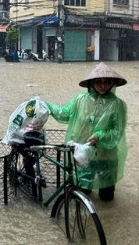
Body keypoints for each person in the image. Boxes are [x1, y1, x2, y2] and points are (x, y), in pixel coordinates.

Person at [43, 63, 128, 201]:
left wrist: (99, 136)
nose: (103, 85)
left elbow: (117, 131)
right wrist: (47, 106)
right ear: (91, 83)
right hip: (82, 155)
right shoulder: (80, 100)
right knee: (81, 196)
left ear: (112, 84)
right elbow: (64, 114)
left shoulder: (118, 105)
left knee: (106, 197)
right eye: (98, 82)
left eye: (107, 82)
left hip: (107, 157)